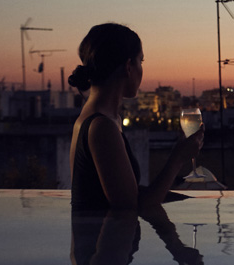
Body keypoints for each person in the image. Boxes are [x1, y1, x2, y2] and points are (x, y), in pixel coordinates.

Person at [68, 23, 203, 210]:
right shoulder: (101, 126)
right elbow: (131, 206)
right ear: (128, 67)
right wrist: (179, 157)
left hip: (100, 230)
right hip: (102, 230)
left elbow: (126, 192)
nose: (142, 69)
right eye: (141, 61)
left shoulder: (100, 118)